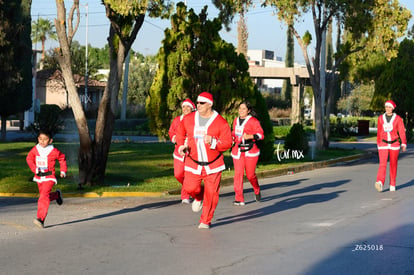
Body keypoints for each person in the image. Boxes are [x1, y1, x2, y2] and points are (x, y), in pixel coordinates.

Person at [176, 92, 232, 229]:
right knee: (190, 188)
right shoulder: (188, 119)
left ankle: (205, 220)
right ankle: (199, 197)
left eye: (202, 103)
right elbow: (180, 132)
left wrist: (213, 142)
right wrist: (181, 145)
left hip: (213, 165)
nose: (198, 105)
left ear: (210, 105)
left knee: (212, 194)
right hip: (193, 162)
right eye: (197, 102)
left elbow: (228, 143)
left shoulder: (220, 122)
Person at [26, 130, 67, 228]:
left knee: (43, 197)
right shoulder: (35, 149)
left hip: (49, 177)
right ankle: (57, 195)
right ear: (38, 139)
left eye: (45, 139)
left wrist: (63, 171)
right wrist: (34, 168)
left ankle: (41, 219)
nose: (42, 141)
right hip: (39, 177)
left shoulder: (54, 151)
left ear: (50, 140)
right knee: (45, 196)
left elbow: (62, 158)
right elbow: (29, 159)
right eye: (40, 139)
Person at [231, 101, 264, 205]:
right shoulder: (236, 120)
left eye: (243, 109)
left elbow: (261, 135)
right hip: (238, 151)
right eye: (240, 108)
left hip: (250, 151)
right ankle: (239, 198)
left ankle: (257, 190)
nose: (241, 110)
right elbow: (234, 133)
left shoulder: (253, 121)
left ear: (248, 111)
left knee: (250, 175)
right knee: (238, 174)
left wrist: (250, 136)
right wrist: (231, 138)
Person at [375, 100, 407, 192]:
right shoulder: (380, 118)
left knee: (393, 164)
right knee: (382, 164)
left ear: (392, 108)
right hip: (383, 144)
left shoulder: (398, 119)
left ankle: (392, 183)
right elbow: (379, 132)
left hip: (394, 144)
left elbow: (401, 131)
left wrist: (403, 143)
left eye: (389, 107)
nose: (387, 109)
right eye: (386, 107)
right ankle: (380, 182)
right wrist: (378, 143)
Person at [168, 98, 196, 204]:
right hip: (179, 152)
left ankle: (185, 196)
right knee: (178, 174)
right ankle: (189, 189)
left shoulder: (195, 120)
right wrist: (175, 138)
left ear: (192, 108)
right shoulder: (177, 120)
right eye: (183, 106)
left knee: (188, 174)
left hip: (191, 152)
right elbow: (171, 132)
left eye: (188, 106)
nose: (185, 109)